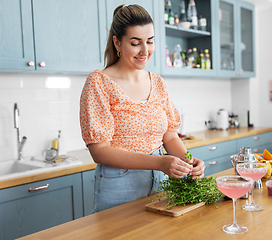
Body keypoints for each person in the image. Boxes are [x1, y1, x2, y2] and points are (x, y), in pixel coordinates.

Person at [80, 4, 205, 213]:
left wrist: (188, 161)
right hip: (118, 183)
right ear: (117, 42)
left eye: (150, 41)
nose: (145, 51)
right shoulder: (99, 82)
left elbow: (170, 136)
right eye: (136, 43)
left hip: (161, 180)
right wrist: (160, 163)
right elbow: (99, 151)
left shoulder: (156, 82)